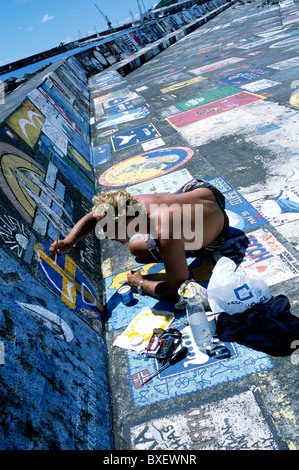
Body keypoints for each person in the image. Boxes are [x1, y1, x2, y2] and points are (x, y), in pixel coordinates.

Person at [49, 179, 229, 301]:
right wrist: (69, 241)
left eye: (107, 229)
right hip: (202, 190)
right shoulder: (132, 204)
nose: (104, 234)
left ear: (125, 222)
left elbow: (178, 288)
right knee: (135, 247)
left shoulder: (164, 233)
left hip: (217, 231)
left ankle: (185, 240)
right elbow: (93, 216)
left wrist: (140, 284)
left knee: (142, 247)